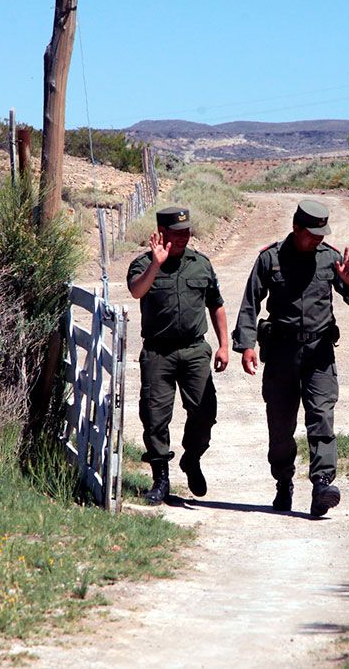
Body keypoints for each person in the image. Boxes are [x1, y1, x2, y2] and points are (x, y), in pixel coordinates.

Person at [233, 199, 349, 517]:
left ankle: (322, 484)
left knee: (321, 417)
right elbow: (251, 301)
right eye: (312, 233)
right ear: (296, 227)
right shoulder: (271, 259)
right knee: (280, 428)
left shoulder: (330, 258)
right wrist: (246, 345)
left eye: (322, 233)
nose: (318, 238)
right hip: (281, 354)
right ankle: (283, 482)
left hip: (319, 354)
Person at [128, 206, 229, 505]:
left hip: (195, 350)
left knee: (204, 411)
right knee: (155, 417)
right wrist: (155, 265)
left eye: (186, 232)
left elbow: (216, 304)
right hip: (159, 352)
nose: (184, 238)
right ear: (161, 233)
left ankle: (192, 459)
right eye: (176, 233)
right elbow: (136, 291)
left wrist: (224, 345)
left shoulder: (200, 265)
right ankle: (161, 478)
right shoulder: (142, 265)